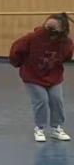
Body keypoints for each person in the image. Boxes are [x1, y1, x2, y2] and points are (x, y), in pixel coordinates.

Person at [9, 13, 73, 142]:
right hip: (33, 76)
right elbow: (16, 50)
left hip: (53, 76)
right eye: (48, 28)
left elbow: (67, 56)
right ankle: (39, 128)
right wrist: (20, 64)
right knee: (41, 100)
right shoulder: (33, 38)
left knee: (56, 99)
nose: (50, 33)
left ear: (62, 30)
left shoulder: (66, 42)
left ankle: (56, 128)